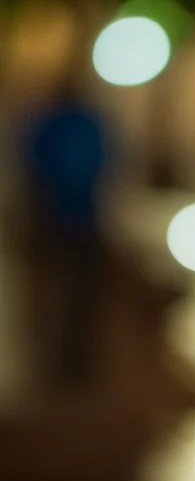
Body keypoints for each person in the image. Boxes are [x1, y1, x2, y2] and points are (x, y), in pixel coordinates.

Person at [17, 67, 113, 395]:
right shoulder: (81, 125)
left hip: (66, 217)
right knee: (71, 289)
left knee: (68, 289)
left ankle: (69, 355)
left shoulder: (50, 125)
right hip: (70, 217)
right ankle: (67, 355)